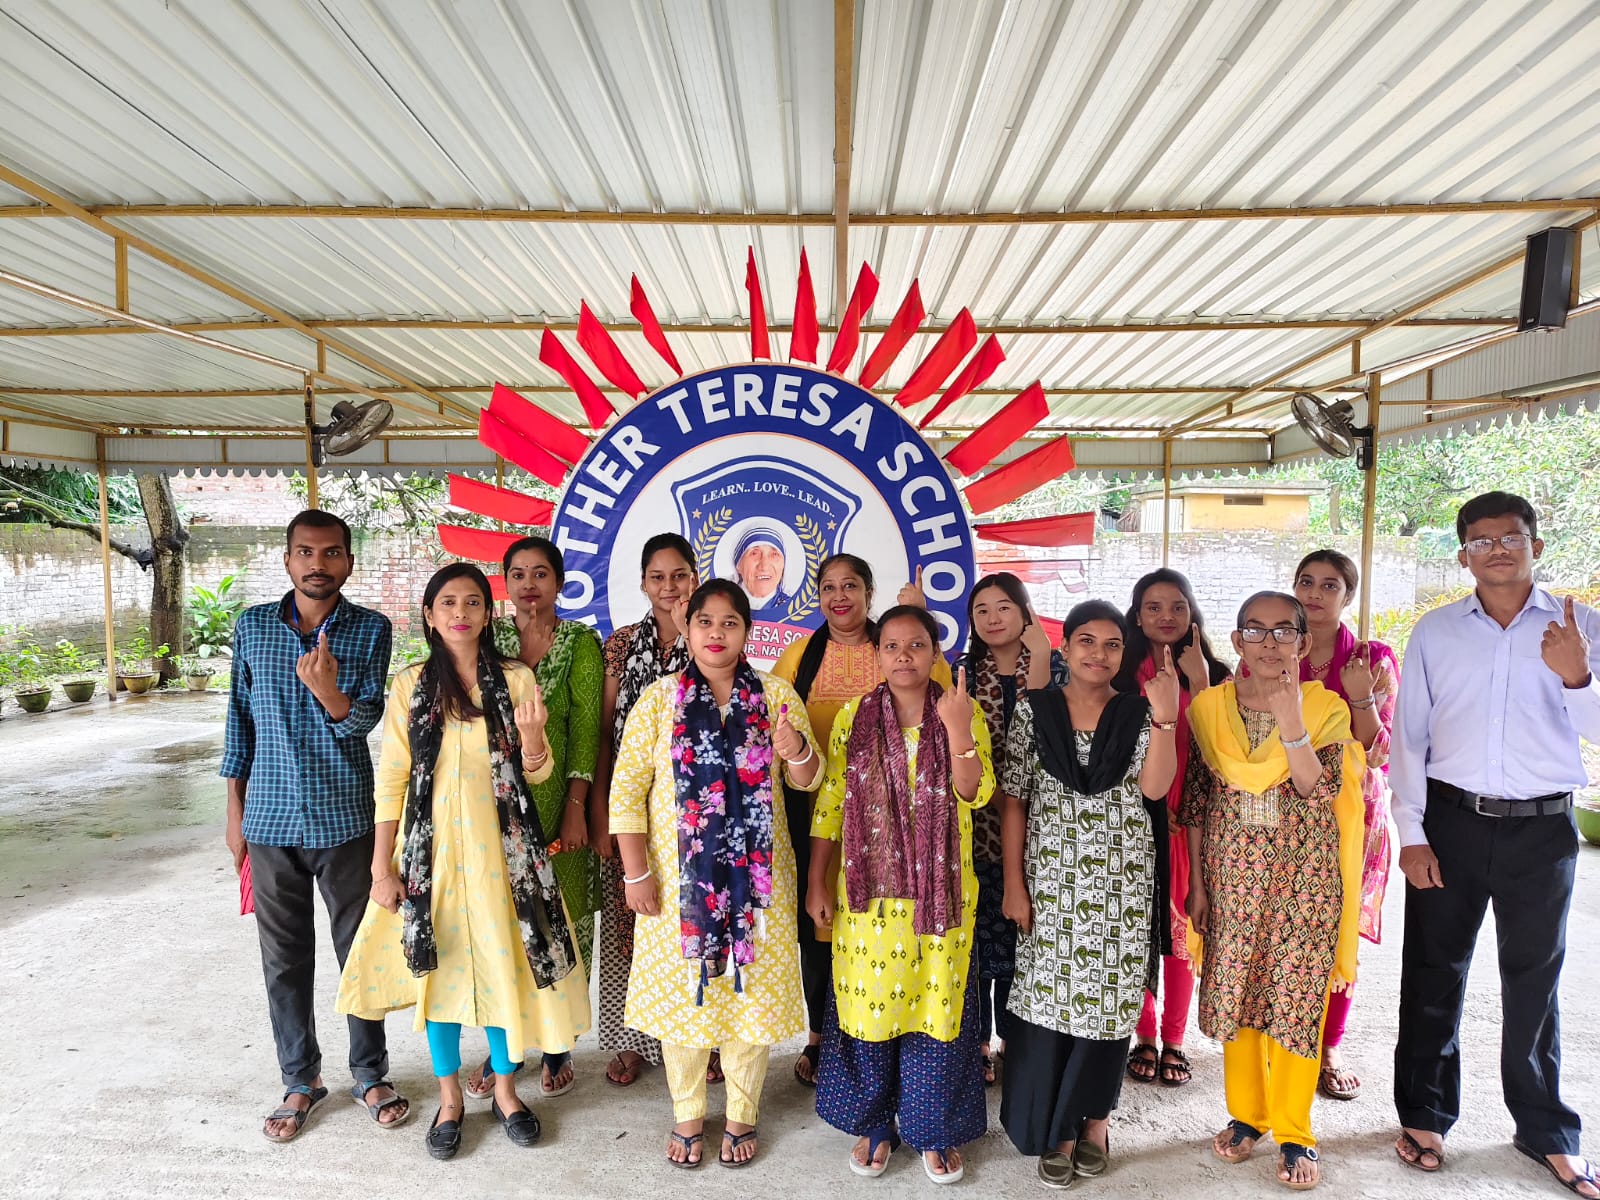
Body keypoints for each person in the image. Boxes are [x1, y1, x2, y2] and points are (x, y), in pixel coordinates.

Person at [335, 564, 590, 1160]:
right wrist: (381, 866)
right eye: (447, 602)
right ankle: (450, 1099)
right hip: (433, 857)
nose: (460, 612)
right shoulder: (412, 685)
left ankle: (505, 1092)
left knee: (507, 971)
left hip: (505, 855)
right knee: (442, 976)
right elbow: (393, 775)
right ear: (428, 614)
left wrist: (532, 739)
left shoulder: (517, 678)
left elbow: (540, 770)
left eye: (472, 601)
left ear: (487, 613)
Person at [1390, 491, 1600, 1197]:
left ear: (1535, 545)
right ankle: (1424, 1114)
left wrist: (1577, 675)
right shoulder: (1437, 632)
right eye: (1481, 541)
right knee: (1432, 973)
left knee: (1535, 981)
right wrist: (1412, 834)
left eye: (1511, 537)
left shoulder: (1581, 624)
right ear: (1463, 556)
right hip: (1452, 820)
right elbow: (1408, 739)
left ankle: (1546, 1129)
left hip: (1543, 830)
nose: (1498, 549)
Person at [609, 580, 821, 1168]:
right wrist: (635, 874)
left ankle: (742, 1114)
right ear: (688, 627)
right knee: (687, 1004)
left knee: (748, 1006)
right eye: (705, 622)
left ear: (747, 631)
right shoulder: (659, 700)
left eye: (730, 623)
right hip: (680, 890)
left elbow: (809, 781)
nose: (716, 634)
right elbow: (626, 792)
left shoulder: (777, 695)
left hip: (759, 890)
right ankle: (685, 1112)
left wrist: (795, 746)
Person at [221, 509, 410, 1143]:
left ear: (348, 563)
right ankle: (300, 1080)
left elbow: (366, 722)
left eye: (332, 554)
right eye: (306, 552)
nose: (317, 564)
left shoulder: (369, 629)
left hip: (346, 818)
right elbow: (237, 726)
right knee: (283, 959)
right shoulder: (251, 629)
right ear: (287, 559)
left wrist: (331, 694)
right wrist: (234, 815)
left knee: (359, 951)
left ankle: (370, 1072)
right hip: (270, 820)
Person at [1181, 591, 1364, 1191]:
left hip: (1304, 880)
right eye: (1254, 632)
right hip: (1232, 879)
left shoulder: (1324, 706)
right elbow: (1199, 806)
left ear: (1303, 643)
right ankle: (1247, 1115)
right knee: (1241, 1000)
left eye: (1283, 632)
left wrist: (1291, 722)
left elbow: (1317, 788)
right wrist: (1200, 887)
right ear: (1235, 641)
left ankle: (1294, 1129)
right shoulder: (1208, 709)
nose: (1269, 643)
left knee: (1295, 1002)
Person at [807, 604, 995, 1185]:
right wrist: (817, 879)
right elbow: (833, 800)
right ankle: (876, 1124)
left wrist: (959, 730)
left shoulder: (962, 711)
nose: (904, 656)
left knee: (935, 1011)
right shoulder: (852, 717)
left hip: (941, 899)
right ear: (878, 654)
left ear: (935, 652)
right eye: (891, 646)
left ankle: (933, 1131)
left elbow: (976, 792)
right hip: (870, 900)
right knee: (871, 1008)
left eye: (916, 645)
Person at [999, 600, 1180, 1188]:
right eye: (1086, 641)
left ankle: (1096, 1121)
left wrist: (1166, 719)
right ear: (1066, 646)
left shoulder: (1136, 711)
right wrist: (1013, 884)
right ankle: (1057, 1128)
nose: (1098, 654)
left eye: (1111, 645)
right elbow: (1014, 800)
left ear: (1122, 654)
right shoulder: (1034, 711)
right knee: (1050, 1009)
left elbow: (1154, 790)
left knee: (1107, 1007)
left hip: (1120, 882)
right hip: (1050, 884)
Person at [772, 554, 951, 1086]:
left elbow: (943, 704)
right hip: (819, 816)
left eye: (852, 585)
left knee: (885, 926)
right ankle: (821, 1037)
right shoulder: (801, 656)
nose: (840, 596)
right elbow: (775, 714)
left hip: (903, 826)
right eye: (829, 587)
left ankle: (895, 1032)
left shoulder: (897, 644)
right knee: (820, 924)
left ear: (871, 594)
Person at [466, 535, 601, 1099]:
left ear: (560, 583)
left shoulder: (581, 642)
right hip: (493, 802)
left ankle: (557, 1046)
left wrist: (576, 809)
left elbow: (586, 728)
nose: (529, 585)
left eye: (540, 574)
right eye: (517, 574)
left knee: (560, 924)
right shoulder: (484, 637)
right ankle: (506, 1051)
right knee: (503, 927)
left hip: (556, 805)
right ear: (505, 583)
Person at [1113, 568, 1230, 1091]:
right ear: (1137, 615)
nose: (1166, 617)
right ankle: (1142, 1034)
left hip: (1192, 820)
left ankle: (1175, 1039)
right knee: (1135, 926)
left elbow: (1224, 751)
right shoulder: (1115, 671)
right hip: (1130, 817)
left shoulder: (1218, 673)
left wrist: (1201, 681)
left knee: (1181, 928)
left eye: (1177, 606)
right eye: (1154, 607)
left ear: (1192, 612)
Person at [1291, 549, 1399, 1102]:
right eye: (1306, 582)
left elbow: (1381, 751)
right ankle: (1286, 1033)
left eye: (1329, 585)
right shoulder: (1276, 647)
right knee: (1291, 921)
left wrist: (1359, 696)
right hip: (1288, 812)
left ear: (1347, 596)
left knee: (1340, 924)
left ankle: (1330, 1044)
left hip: (1353, 814)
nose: (1315, 593)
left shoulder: (1374, 658)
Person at [953, 572, 1066, 1088]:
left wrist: (1040, 660)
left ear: (1025, 613)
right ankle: (976, 1043)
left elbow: (1054, 735)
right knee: (975, 941)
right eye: (982, 610)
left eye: (1004, 607)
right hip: (972, 823)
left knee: (1026, 939)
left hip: (1041, 821)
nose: (993, 618)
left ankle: (1016, 1040)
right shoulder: (962, 673)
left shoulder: (1058, 667)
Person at [593, 533, 697, 1087]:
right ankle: (631, 1039)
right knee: (629, 922)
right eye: (658, 577)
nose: (669, 586)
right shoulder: (622, 643)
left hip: (693, 811)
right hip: (632, 805)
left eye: (679, 575)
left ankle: (691, 1037)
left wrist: (690, 630)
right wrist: (605, 814)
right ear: (642, 583)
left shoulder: (711, 634)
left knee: (687, 926)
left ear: (695, 578)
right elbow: (607, 729)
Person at [733, 528, 792, 613]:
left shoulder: (793, 608)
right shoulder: (723, 604)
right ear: (738, 565)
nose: (764, 566)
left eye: (774, 554)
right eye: (754, 553)